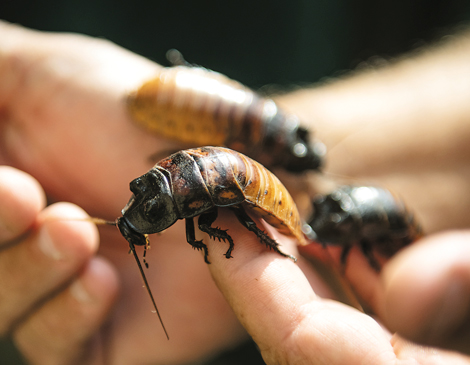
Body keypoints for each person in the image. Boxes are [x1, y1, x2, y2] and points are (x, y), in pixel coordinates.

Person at [0, 20, 469, 364]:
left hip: (237, 176)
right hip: (227, 169)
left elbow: (215, 215)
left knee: (227, 213)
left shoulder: (194, 209)